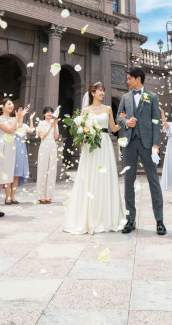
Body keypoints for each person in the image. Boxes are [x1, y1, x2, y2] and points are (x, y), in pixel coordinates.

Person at [63, 82, 125, 234]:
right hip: (91, 147)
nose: (102, 93)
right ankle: (88, 217)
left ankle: (106, 217)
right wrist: (85, 133)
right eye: (99, 90)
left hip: (104, 143)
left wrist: (122, 120)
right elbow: (81, 129)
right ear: (92, 93)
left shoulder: (108, 109)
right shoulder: (86, 110)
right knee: (90, 177)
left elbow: (114, 128)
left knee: (105, 178)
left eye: (103, 90)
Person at [116, 66, 166, 235]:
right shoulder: (125, 97)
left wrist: (156, 145)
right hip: (129, 143)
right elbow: (118, 117)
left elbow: (156, 123)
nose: (127, 81)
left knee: (153, 180)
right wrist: (125, 123)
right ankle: (130, 219)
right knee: (128, 181)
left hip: (147, 144)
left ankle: (159, 221)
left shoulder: (152, 97)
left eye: (129, 78)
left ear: (138, 78)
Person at [7, 107, 34, 204]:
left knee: (16, 174)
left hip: (22, 148)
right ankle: (7, 197)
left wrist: (31, 119)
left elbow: (31, 130)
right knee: (10, 173)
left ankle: (13, 197)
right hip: (13, 147)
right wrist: (20, 117)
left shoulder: (24, 125)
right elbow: (18, 126)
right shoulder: (12, 122)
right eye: (18, 114)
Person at [36, 107, 59, 204]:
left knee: (51, 171)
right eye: (47, 112)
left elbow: (56, 137)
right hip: (44, 146)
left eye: (51, 112)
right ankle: (41, 196)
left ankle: (49, 196)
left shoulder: (55, 123)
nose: (50, 113)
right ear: (44, 114)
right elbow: (42, 136)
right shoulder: (41, 123)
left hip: (52, 147)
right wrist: (50, 127)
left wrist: (54, 127)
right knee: (43, 170)